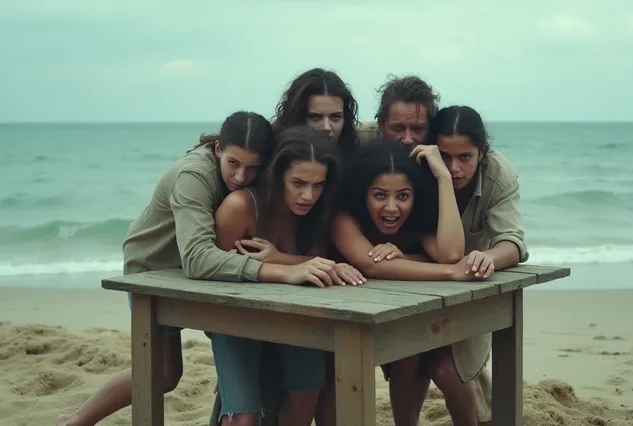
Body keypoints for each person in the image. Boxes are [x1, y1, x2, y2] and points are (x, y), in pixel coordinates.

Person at [57, 111, 277, 426]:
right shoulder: (194, 175)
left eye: (253, 168)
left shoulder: (248, 174)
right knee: (163, 374)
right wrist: (276, 269)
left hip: (199, 276)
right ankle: (77, 422)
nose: (241, 177)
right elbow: (198, 258)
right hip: (152, 270)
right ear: (218, 149)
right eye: (233, 164)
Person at [328, 140, 491, 426]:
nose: (391, 208)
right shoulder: (344, 218)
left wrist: (442, 178)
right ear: (362, 193)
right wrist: (450, 272)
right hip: (356, 319)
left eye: (403, 196)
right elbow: (371, 264)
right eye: (379, 195)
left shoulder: (417, 220)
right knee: (405, 358)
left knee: (437, 364)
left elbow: (451, 253)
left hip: (423, 316)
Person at [391, 105, 529, 426]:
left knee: (450, 369)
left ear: (482, 151)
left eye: (465, 157)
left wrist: (489, 257)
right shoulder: (419, 165)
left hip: (471, 283)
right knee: (409, 361)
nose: (454, 167)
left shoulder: (498, 174)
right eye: (446, 156)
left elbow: (514, 242)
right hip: (420, 279)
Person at [208, 125, 354, 426]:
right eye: (298, 183)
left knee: (309, 391)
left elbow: (315, 261)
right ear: (277, 176)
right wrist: (288, 269)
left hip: (296, 315)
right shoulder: (241, 207)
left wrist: (304, 262)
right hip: (234, 317)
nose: (308, 195)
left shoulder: (317, 212)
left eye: (318, 185)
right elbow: (215, 272)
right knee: (243, 416)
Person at [272, 68, 360, 156]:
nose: (326, 127)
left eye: (335, 117)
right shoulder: (270, 160)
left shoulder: (357, 163)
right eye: (315, 117)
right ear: (296, 117)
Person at [361, 74, 440, 147]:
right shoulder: (361, 142)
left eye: (417, 129)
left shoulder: (446, 151)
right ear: (381, 126)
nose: (407, 140)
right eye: (398, 128)